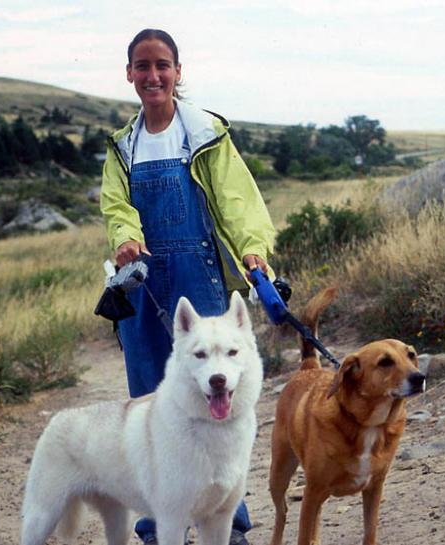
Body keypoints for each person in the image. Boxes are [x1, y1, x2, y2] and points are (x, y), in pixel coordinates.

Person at [99, 28, 275, 545]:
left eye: (163, 66)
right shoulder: (121, 148)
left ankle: (229, 522)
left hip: (199, 277)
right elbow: (115, 206)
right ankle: (158, 525)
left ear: (179, 72)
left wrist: (252, 247)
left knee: (218, 404)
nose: (153, 76)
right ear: (129, 73)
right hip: (145, 284)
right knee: (151, 401)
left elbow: (237, 198)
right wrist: (127, 237)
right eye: (142, 66)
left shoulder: (206, 134)